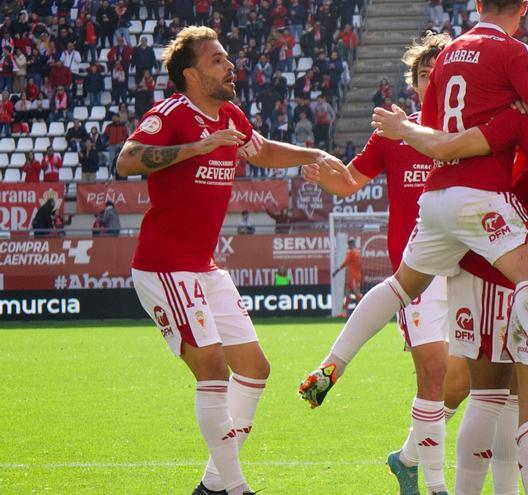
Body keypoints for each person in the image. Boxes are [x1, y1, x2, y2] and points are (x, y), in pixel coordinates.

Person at [300, 2, 528, 492]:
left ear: (478, 5)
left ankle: (334, 362)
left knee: (402, 286)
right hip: (480, 196)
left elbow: (439, 137)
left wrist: (410, 130)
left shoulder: (449, 55)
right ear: (522, 8)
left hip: (437, 197)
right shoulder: (512, 52)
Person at [115, 26, 350, 495]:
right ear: (192, 74)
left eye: (227, 59)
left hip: (202, 267)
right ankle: (236, 488)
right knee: (214, 371)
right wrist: (195, 148)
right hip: (166, 267)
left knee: (255, 369)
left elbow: (262, 150)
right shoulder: (173, 113)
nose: (230, 67)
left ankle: (212, 484)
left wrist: (317, 152)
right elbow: (127, 160)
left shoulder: (231, 115)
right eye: (218, 61)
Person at [300, 32, 479, 495]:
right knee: (436, 376)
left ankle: (407, 458)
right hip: (417, 274)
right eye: (423, 74)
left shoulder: (474, 132)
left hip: (473, 270)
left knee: (465, 383)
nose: (430, 80)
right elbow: (349, 183)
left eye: (437, 72)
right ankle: (436, 485)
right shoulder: (394, 136)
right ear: (416, 83)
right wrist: (324, 175)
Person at [333, 238, 363, 317]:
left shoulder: (352, 253)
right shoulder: (357, 253)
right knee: (348, 294)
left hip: (353, 277)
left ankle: (363, 310)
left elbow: (345, 263)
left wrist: (337, 270)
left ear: (350, 244)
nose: (349, 246)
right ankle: (345, 313)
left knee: (356, 294)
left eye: (350, 244)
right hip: (355, 277)